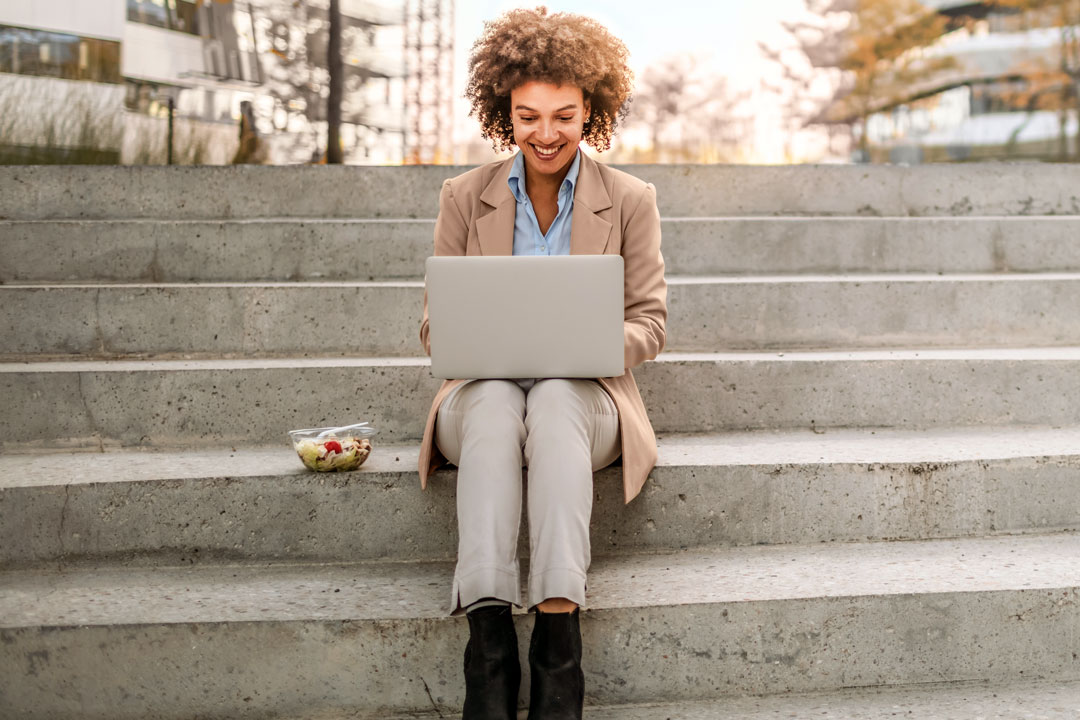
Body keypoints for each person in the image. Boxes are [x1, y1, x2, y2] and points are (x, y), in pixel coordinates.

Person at [417, 7, 667, 719]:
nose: (547, 134)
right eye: (528, 117)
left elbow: (650, 322)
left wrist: (585, 344)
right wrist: (484, 343)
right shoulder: (463, 197)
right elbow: (437, 325)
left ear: (593, 108)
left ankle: (558, 640)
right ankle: (489, 647)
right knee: (497, 403)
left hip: (588, 402)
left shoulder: (629, 199)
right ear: (504, 113)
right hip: (483, 397)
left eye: (564, 115)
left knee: (555, 397)